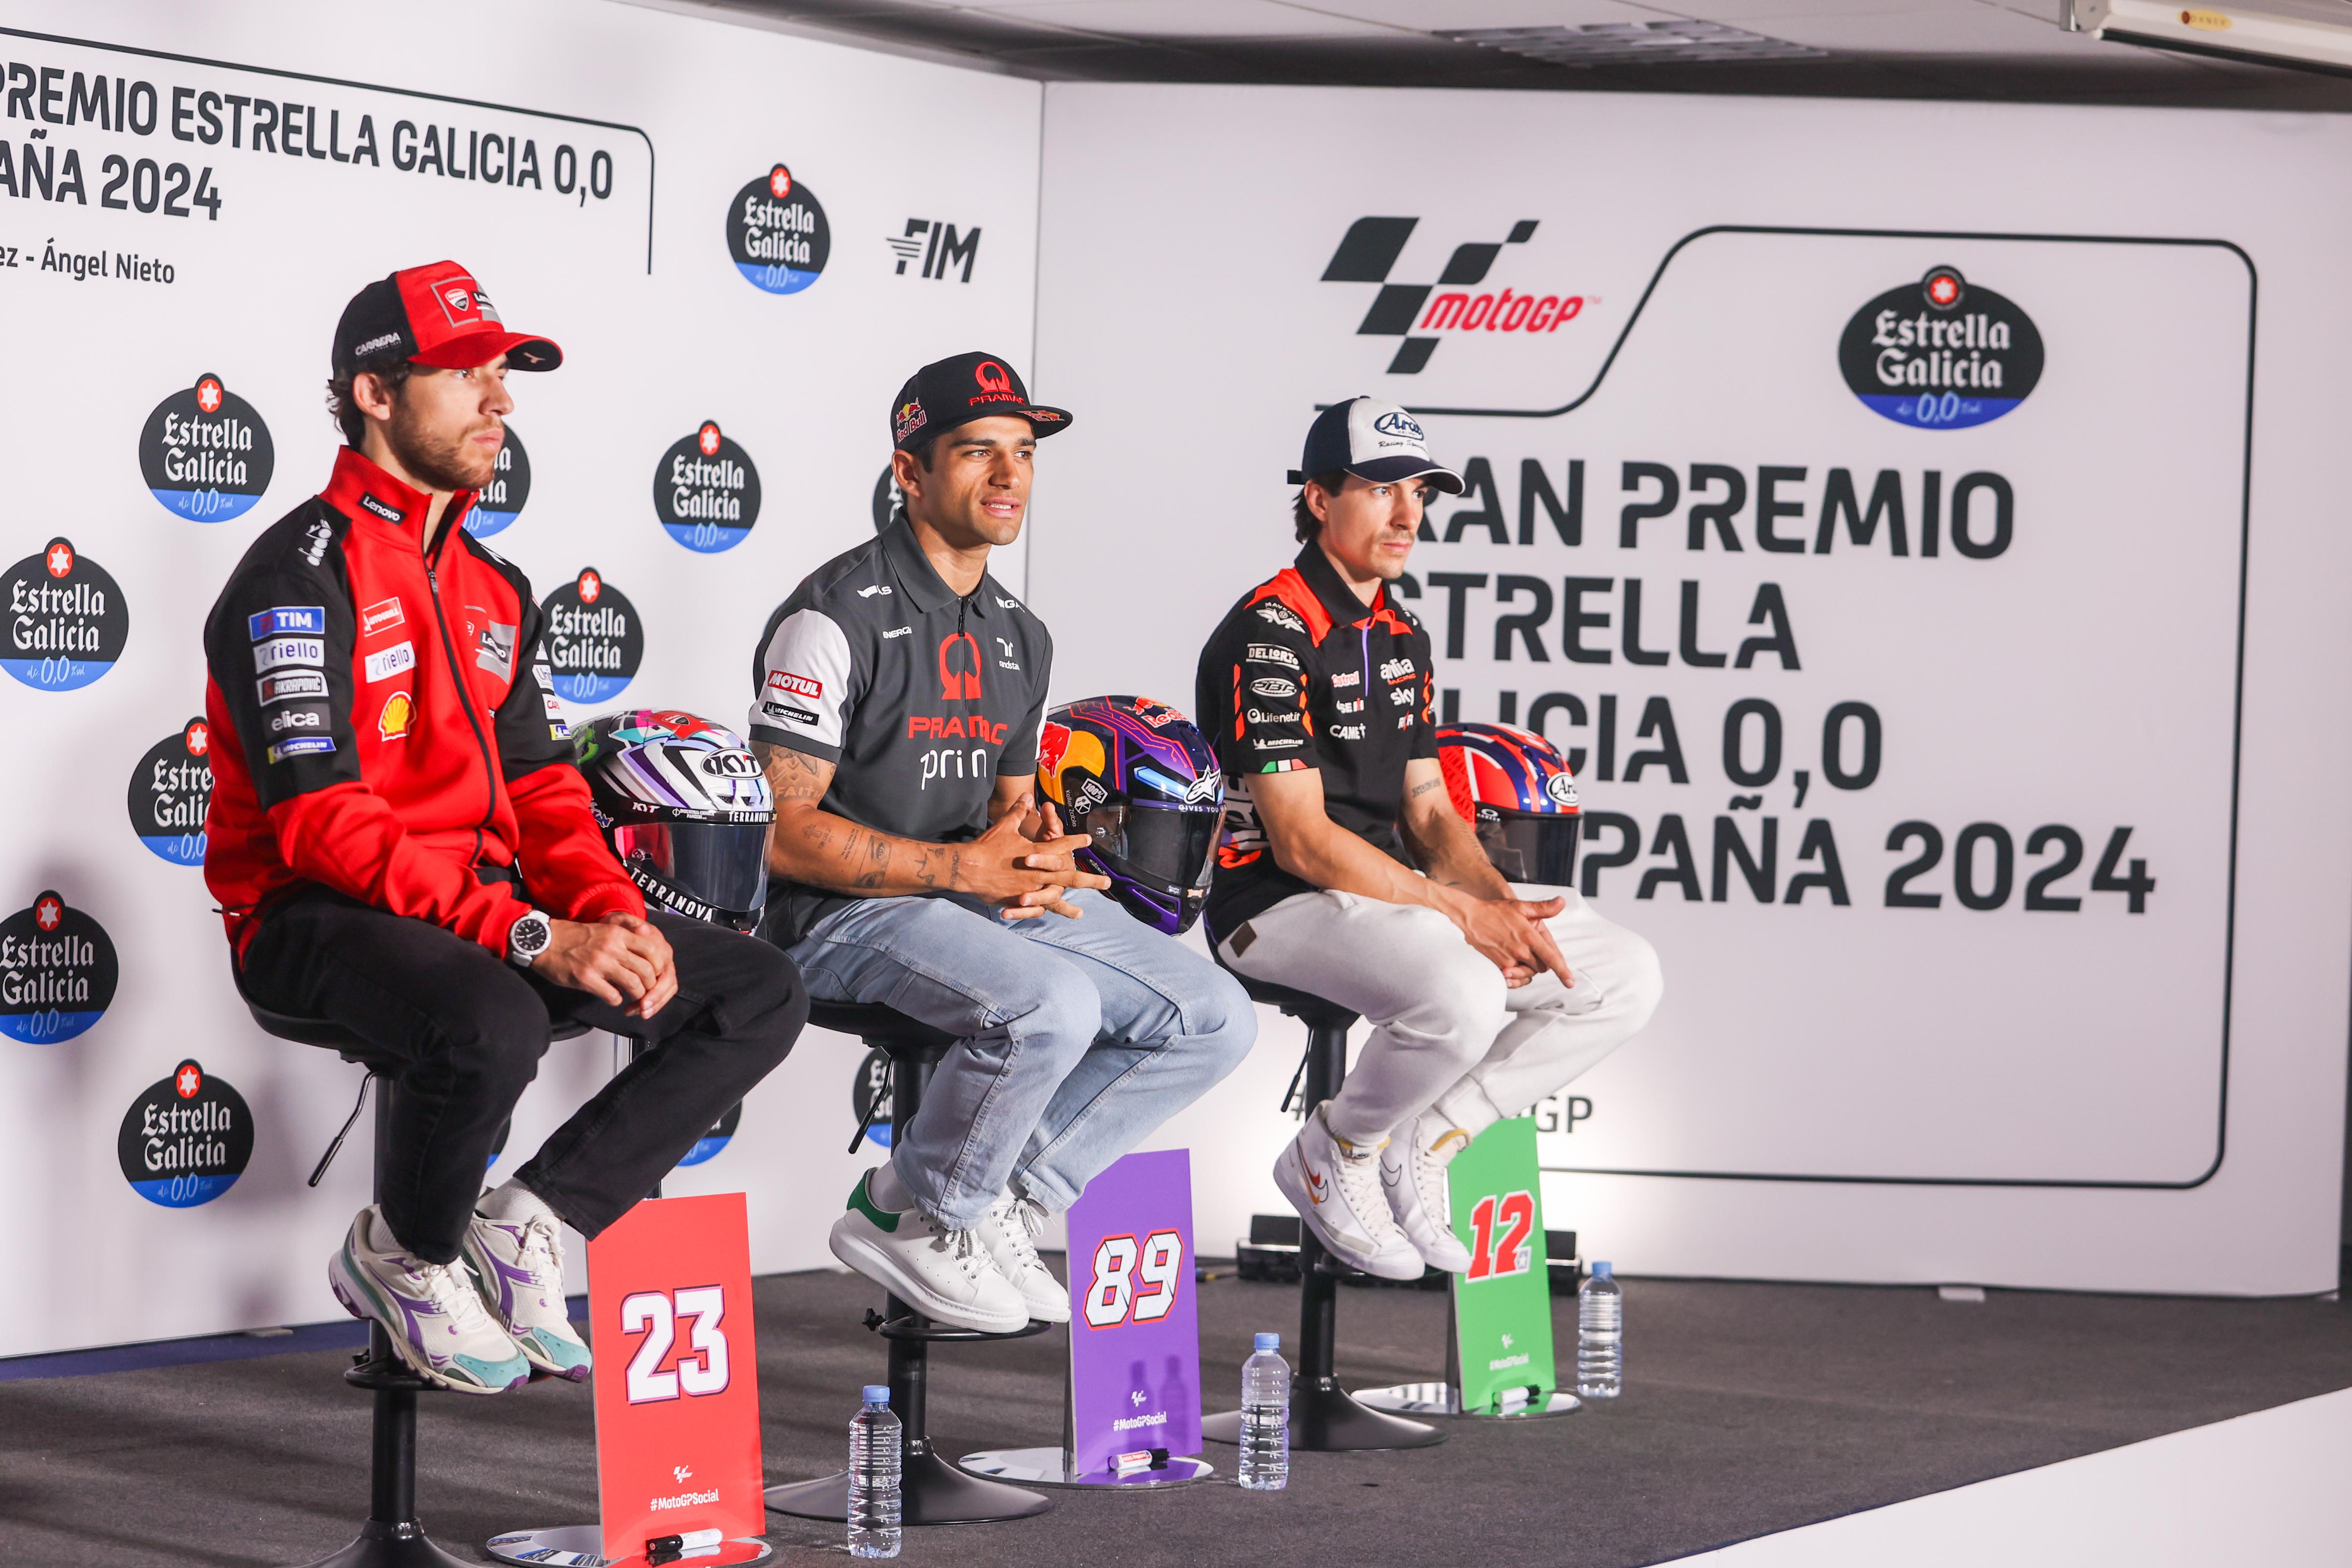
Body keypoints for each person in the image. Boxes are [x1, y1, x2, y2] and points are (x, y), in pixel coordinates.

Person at [203, 261, 808, 1394]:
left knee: (751, 988)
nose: (502, 402)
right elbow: (320, 821)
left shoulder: (491, 583)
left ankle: (526, 1217)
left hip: (473, 914)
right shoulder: (295, 574)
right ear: (375, 394)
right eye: (466, 375)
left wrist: (610, 916)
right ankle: (405, 1252)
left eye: (504, 375)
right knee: (490, 1018)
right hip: (308, 915)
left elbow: (539, 788)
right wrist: (531, 939)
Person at [748, 352, 1254, 1334]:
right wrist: (963, 868)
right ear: (910, 472)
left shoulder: (1022, 633)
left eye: (1022, 454)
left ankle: (999, 1201)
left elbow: (1008, 820)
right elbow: (781, 833)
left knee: (1211, 1013)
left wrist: (1038, 854)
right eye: (977, 452)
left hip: (961, 904)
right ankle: (917, 1212)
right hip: (831, 920)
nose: (1009, 477)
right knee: (1049, 1000)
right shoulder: (831, 617)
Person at [1193, 397, 1663, 1279]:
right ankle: (1336, 1148)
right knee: (1462, 988)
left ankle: (1427, 1140)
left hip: (1384, 900)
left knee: (1622, 973)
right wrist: (1460, 917)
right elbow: (1298, 842)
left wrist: (1494, 902)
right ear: (1320, 499)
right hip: (1270, 906)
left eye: (1420, 493)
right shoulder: (1270, 628)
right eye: (1381, 490)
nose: (1408, 515)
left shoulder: (1402, 630)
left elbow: (1432, 811)